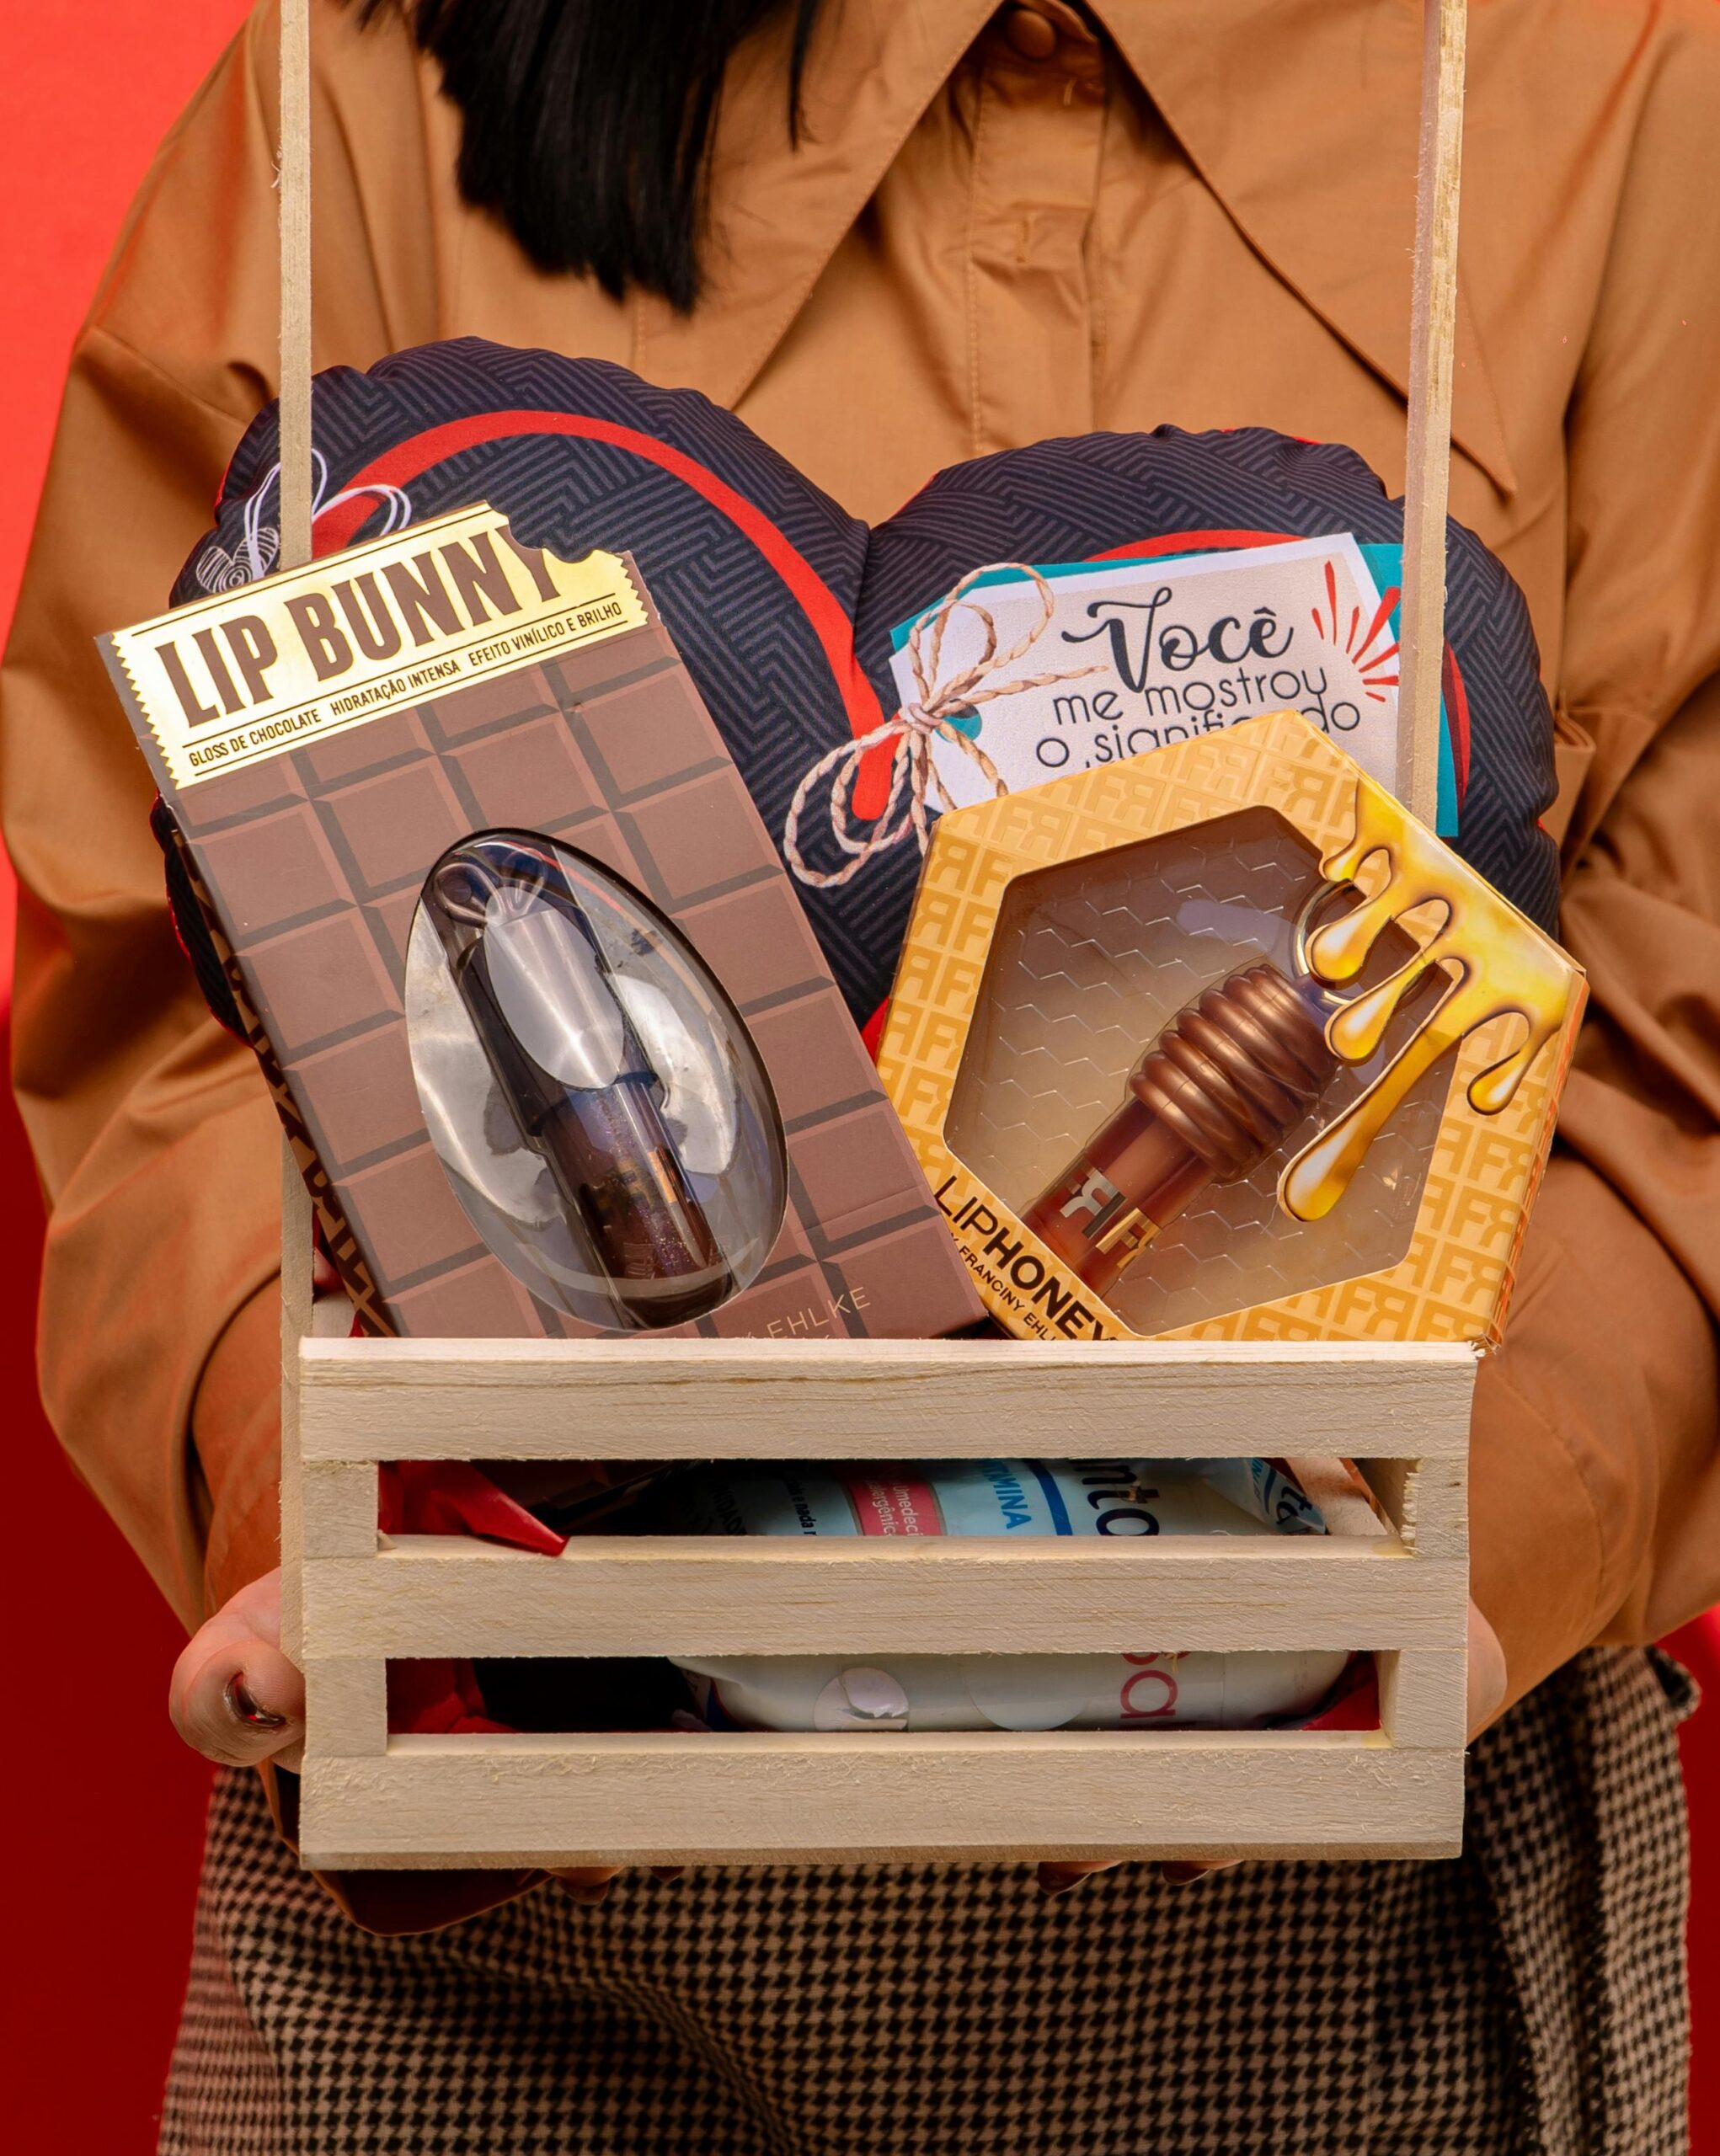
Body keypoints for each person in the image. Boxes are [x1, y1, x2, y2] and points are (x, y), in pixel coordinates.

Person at [3, 1, 1718, 2148]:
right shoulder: (357, 71)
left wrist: (1453, 1554)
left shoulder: (1618, 77)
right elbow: (173, 960)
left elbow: (1687, 1015)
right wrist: (370, 1542)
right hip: (510, 1947)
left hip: (1359, 1935)